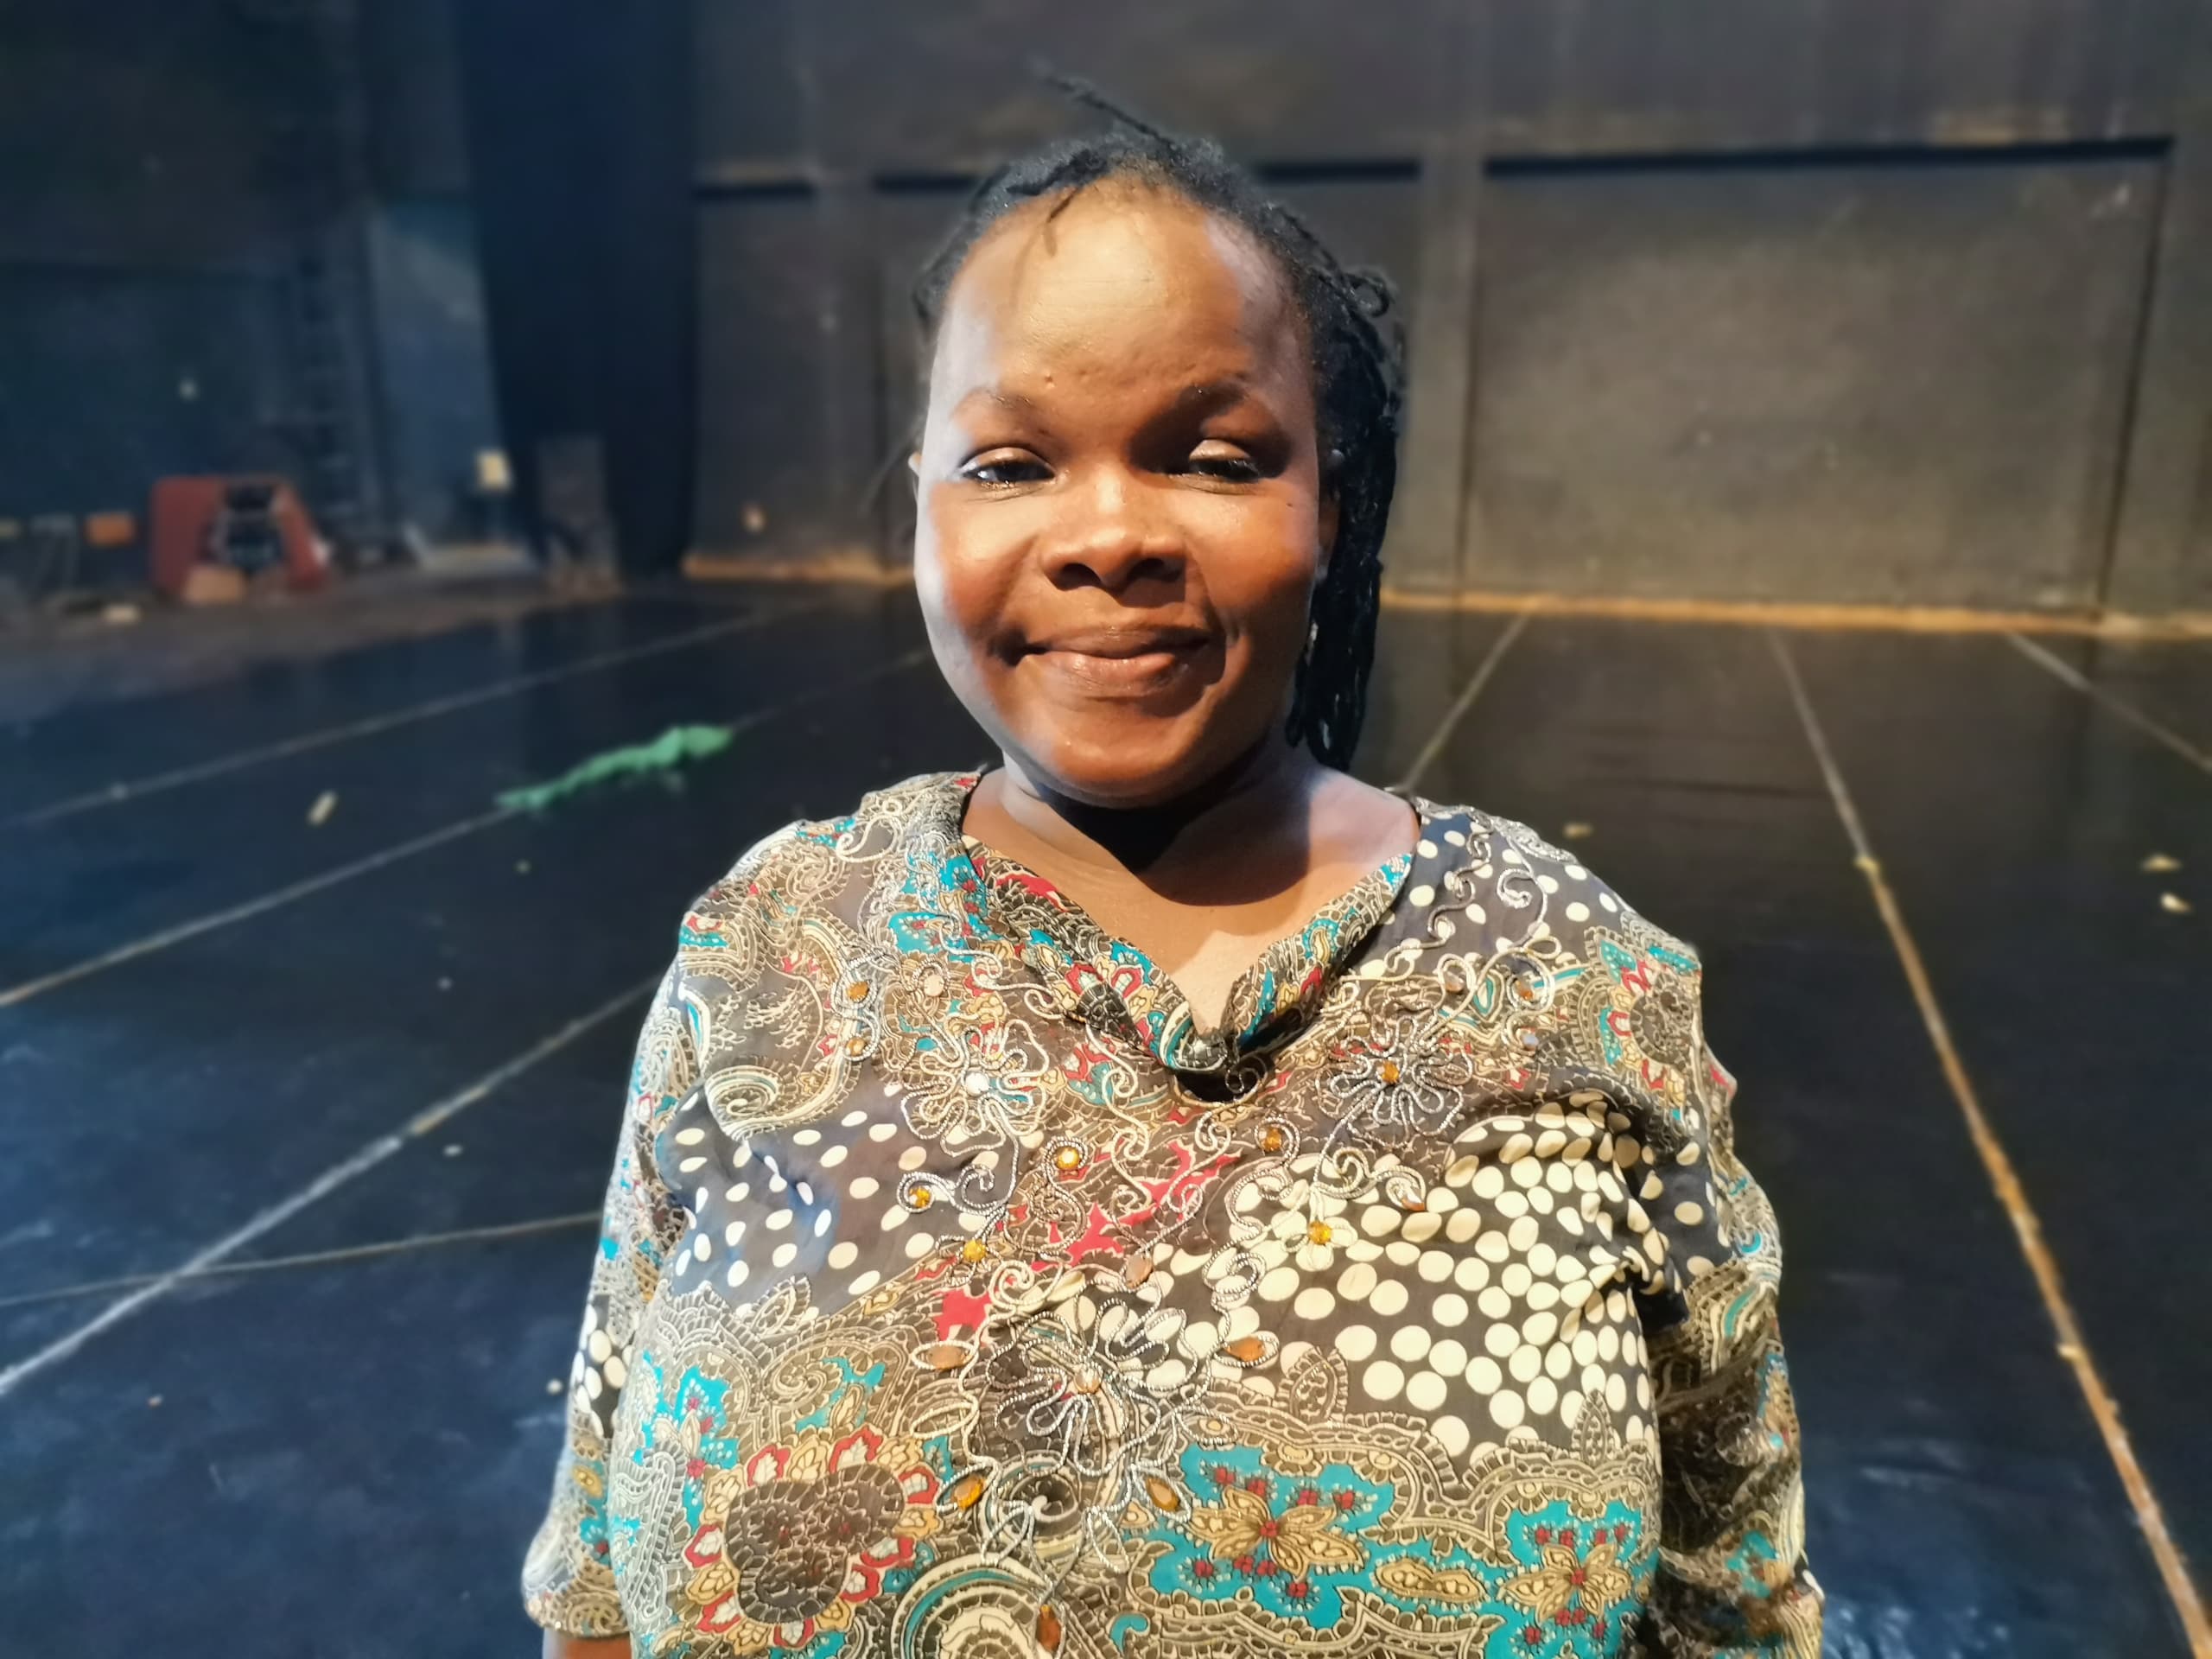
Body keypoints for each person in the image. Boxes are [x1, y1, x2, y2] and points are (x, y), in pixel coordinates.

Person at [524, 100, 1821, 1659]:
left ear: (1328, 506)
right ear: (926, 501)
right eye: (1010, 463)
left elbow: (1732, 1604)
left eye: (1211, 457)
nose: (1108, 535)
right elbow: (595, 1585)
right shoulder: (768, 945)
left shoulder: (1573, 975)